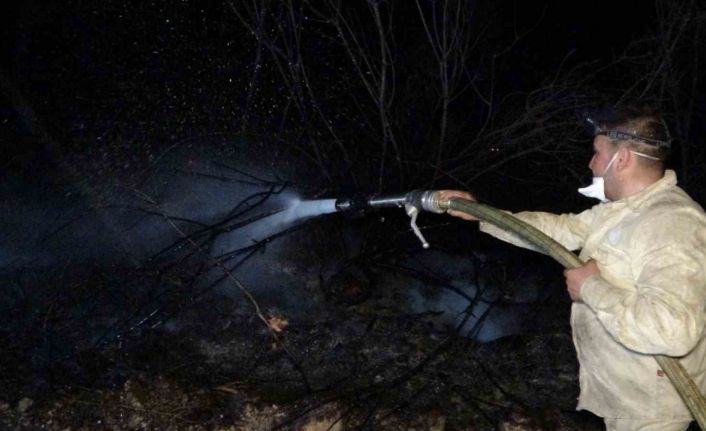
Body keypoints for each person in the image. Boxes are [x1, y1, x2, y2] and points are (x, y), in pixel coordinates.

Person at [439, 106, 706, 431]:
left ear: (621, 159)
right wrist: (481, 213)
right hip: (628, 395)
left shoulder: (672, 223)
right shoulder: (622, 212)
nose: (591, 163)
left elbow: (672, 331)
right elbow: (557, 232)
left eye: (597, 153)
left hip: (652, 409)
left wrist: (591, 288)